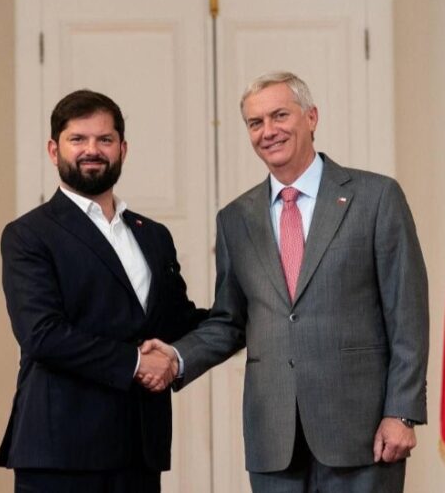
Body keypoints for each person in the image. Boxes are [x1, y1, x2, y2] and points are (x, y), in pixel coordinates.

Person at [140, 71, 429, 492]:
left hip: (362, 433)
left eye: (279, 115)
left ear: (311, 117)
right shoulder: (235, 219)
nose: (268, 131)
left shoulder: (376, 197)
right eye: (255, 123)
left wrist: (401, 412)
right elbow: (230, 321)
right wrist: (175, 357)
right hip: (273, 439)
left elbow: (408, 313)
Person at [0, 89, 207, 492]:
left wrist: (252, 311)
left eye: (105, 140)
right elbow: (42, 335)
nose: (92, 150)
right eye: (79, 139)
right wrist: (136, 363)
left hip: (139, 449)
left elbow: (178, 320)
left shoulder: (154, 236)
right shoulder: (28, 235)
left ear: (123, 149)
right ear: (53, 150)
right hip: (60, 453)